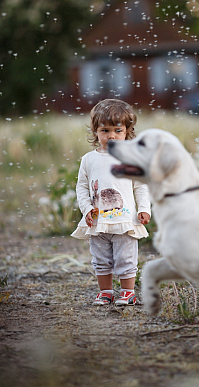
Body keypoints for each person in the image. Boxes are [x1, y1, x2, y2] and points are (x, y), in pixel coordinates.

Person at [71, 99, 151, 306]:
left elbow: (140, 186)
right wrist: (87, 208)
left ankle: (127, 292)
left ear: (127, 132)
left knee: (125, 257)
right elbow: (82, 186)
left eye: (118, 130)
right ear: (96, 132)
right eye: (105, 130)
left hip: (124, 219)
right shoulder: (89, 159)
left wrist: (144, 209)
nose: (111, 136)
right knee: (100, 258)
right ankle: (105, 291)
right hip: (98, 220)